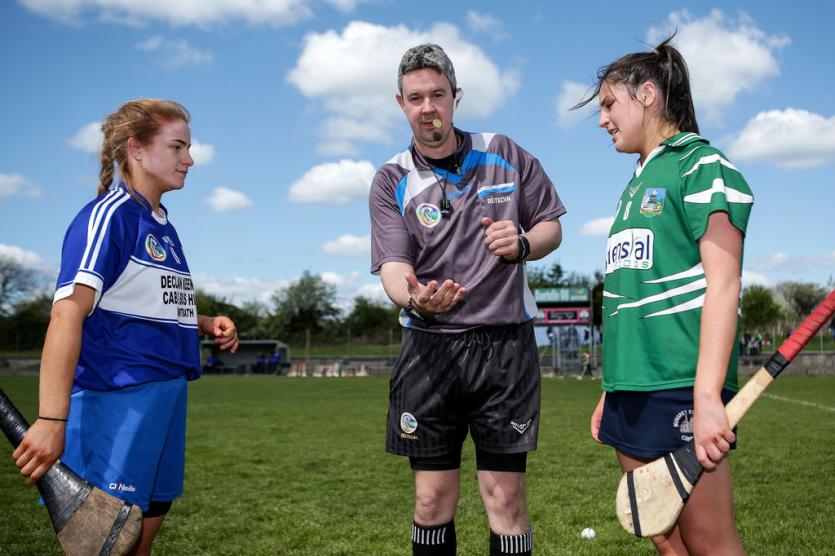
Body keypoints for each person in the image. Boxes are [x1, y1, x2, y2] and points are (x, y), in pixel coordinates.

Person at [11, 99, 239, 556]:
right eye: (177, 146)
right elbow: (67, 313)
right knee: (106, 544)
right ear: (136, 149)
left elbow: (140, 305)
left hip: (165, 399)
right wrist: (51, 419)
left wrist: (202, 322)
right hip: (117, 403)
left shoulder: (163, 225)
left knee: (140, 539)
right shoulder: (108, 216)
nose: (189, 159)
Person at [370, 44, 565, 555]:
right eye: (416, 98)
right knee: (432, 500)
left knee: (506, 499)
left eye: (437, 94)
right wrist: (416, 299)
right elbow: (394, 269)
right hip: (430, 348)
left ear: (455, 97)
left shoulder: (504, 151)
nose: (428, 107)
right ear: (401, 103)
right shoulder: (391, 178)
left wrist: (523, 243)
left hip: (505, 349)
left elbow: (550, 226)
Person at [577, 35, 753, 555]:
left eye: (609, 104)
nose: (603, 119)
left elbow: (724, 283)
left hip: (682, 385)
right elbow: (632, 292)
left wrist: (707, 396)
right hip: (631, 388)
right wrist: (613, 386)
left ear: (648, 95)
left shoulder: (700, 164)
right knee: (664, 537)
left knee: (709, 542)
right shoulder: (636, 181)